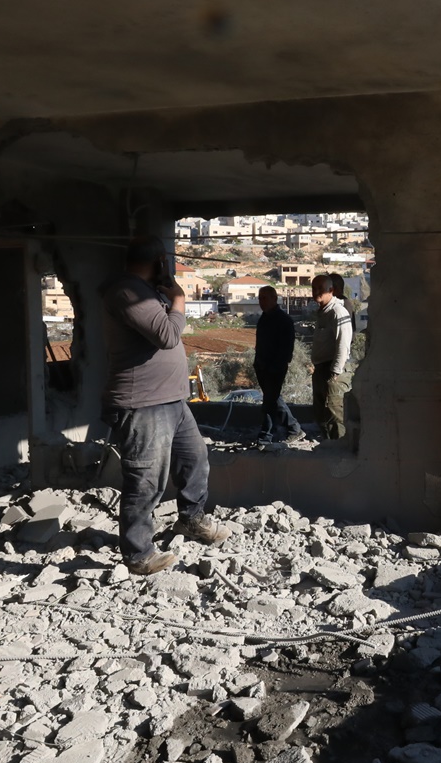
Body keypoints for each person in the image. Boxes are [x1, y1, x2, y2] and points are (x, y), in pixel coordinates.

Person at [100, 236, 231, 575]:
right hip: (143, 404)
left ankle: (191, 519)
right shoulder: (126, 292)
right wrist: (179, 298)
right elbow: (168, 335)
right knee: (146, 481)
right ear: (159, 261)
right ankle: (138, 554)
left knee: (195, 460)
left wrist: (167, 295)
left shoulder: (145, 291)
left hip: (171, 400)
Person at [253, 286, 305, 444]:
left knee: (269, 402)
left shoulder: (283, 320)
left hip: (275, 368)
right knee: (273, 399)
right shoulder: (264, 318)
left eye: (265, 298)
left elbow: (287, 348)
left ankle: (266, 435)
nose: (261, 302)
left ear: (274, 299)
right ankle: (294, 428)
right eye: (260, 298)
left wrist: (276, 366)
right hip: (262, 366)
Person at [309, 274, 353, 440]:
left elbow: (343, 343)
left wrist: (334, 373)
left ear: (331, 290)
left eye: (320, 288)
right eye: (314, 288)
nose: (316, 292)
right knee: (322, 414)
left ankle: (340, 451)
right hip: (322, 370)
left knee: (334, 416)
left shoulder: (337, 312)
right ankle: (329, 448)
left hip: (332, 372)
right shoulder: (323, 313)